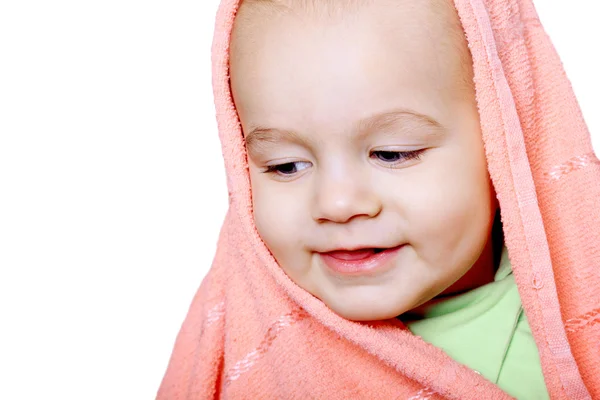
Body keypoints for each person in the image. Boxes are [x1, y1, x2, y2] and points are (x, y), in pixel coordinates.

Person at [157, 0, 600, 398]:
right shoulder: (252, 351)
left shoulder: (577, 333)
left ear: (504, 139)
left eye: (392, 153)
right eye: (285, 165)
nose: (336, 204)